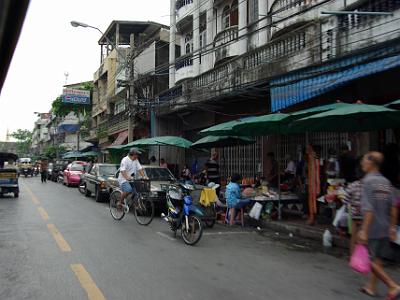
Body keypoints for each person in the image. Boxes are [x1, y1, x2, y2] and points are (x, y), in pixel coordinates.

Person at [358, 151, 400, 299]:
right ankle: (371, 287)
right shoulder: (386, 182)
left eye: (364, 160)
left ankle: (392, 285)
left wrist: (363, 230)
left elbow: (368, 209)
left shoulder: (368, 182)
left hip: (373, 227)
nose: (362, 163)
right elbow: (394, 208)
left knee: (369, 260)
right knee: (377, 259)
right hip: (385, 226)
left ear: (371, 162)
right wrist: (393, 227)